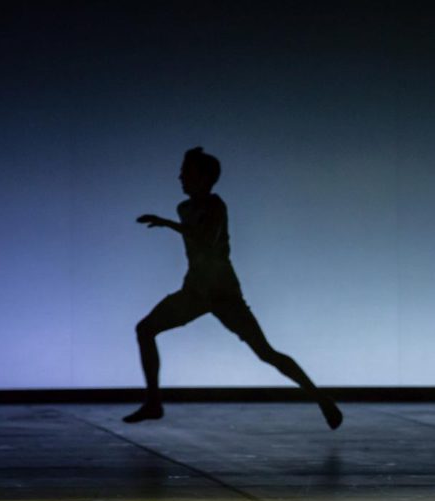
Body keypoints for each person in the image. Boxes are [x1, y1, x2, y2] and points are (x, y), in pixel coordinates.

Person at [123, 147, 342, 429]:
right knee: (145, 329)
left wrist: (167, 224)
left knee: (266, 353)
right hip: (195, 293)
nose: (180, 178)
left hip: (224, 295)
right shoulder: (185, 208)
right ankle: (153, 402)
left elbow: (207, 239)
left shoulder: (216, 206)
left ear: (203, 178)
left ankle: (321, 399)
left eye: (186, 173)